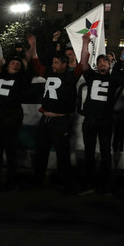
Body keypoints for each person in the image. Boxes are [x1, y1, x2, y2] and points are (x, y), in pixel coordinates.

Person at [29, 32, 89, 193]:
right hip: (45, 121)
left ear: (64, 64)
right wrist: (33, 45)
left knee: (63, 155)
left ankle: (66, 184)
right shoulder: (49, 73)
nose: (53, 65)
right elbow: (36, 62)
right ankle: (38, 181)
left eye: (56, 63)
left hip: (61, 121)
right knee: (41, 153)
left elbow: (83, 63)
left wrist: (85, 43)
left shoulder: (71, 76)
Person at [78, 43, 124, 194]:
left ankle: (107, 185)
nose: (102, 63)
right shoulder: (91, 75)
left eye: (105, 61)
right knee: (89, 153)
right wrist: (86, 43)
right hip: (90, 120)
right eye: (99, 61)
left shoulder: (113, 79)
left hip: (105, 120)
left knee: (106, 153)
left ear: (109, 63)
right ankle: (90, 183)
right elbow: (83, 62)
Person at [0, 54, 32, 190]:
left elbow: (30, 73)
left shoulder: (22, 80)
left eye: (18, 63)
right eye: (12, 62)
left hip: (12, 117)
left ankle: (11, 178)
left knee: (11, 149)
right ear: (7, 65)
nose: (15, 64)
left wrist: (29, 56)